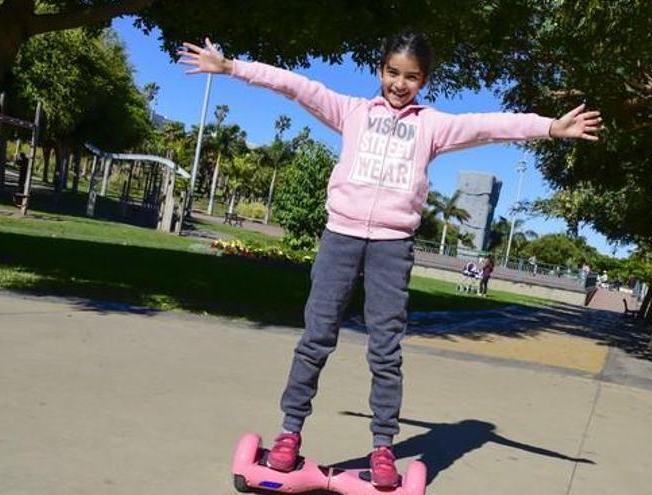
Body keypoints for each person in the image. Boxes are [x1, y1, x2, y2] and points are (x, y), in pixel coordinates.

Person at [179, 32, 602, 487]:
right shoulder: (351, 112)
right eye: (393, 72)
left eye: (412, 76)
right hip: (340, 238)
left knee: (385, 350)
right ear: (380, 70)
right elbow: (294, 84)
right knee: (316, 338)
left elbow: (489, 124)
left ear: (424, 81)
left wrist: (550, 127)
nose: (401, 83)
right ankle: (289, 434)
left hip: (392, 247)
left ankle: (383, 447)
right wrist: (231, 68)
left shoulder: (432, 126)